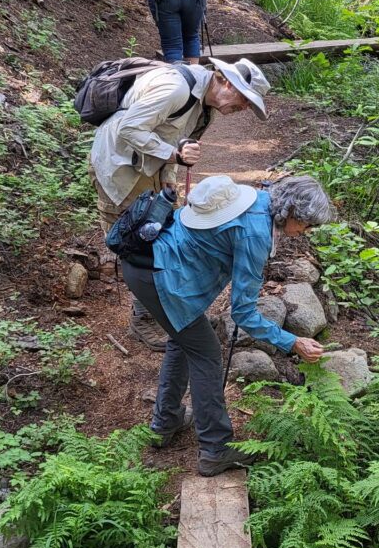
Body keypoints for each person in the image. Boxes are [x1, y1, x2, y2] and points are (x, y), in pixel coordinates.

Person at [121, 174, 335, 477]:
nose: (305, 232)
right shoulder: (256, 235)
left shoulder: (258, 198)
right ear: (291, 213)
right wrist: (292, 342)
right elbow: (244, 313)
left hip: (145, 259)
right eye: (306, 224)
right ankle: (214, 450)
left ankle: (165, 424)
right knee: (207, 354)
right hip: (159, 277)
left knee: (183, 342)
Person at [89, 57, 271, 350]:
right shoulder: (175, 88)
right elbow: (130, 128)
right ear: (224, 79)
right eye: (244, 98)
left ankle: (168, 309)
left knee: (169, 235)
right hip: (118, 167)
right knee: (137, 240)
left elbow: (175, 138)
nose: (244, 108)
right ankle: (143, 319)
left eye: (250, 104)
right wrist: (173, 157)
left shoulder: (205, 108)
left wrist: (169, 175)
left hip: (148, 167)